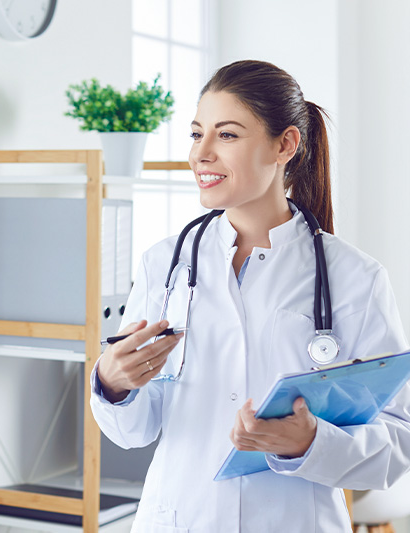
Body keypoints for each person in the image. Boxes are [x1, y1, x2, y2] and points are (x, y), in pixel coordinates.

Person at [91, 60, 410, 532]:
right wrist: (113, 383)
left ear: (285, 145)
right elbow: (135, 430)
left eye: (227, 135)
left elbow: (397, 442)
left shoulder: (354, 277)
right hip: (180, 516)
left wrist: (308, 440)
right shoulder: (165, 265)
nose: (201, 153)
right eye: (197, 134)